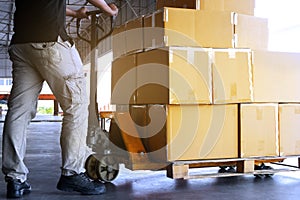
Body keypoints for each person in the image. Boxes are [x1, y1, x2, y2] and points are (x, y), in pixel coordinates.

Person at [1, 0, 118, 198]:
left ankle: (15, 178)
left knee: (18, 112)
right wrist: (109, 10)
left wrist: (75, 14)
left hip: (22, 44)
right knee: (77, 104)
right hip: (49, 42)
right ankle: (72, 172)